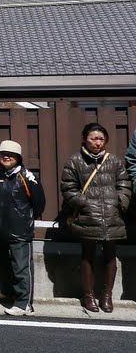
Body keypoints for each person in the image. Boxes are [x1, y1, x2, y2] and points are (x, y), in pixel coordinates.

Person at [61, 123, 130, 313]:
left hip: (111, 215)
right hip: (87, 216)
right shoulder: (74, 161)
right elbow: (68, 188)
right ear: (84, 139)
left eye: (101, 139)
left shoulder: (114, 161)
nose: (97, 143)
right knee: (87, 256)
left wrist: (119, 201)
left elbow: (124, 184)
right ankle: (88, 296)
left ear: (105, 140)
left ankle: (106, 297)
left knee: (110, 256)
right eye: (93, 138)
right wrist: (84, 204)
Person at [0, 139, 45, 316]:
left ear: (18, 158)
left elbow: (39, 203)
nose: (6, 157)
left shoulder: (27, 177)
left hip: (20, 231)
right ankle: (7, 292)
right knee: (1, 264)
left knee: (21, 268)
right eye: (3, 154)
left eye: (11, 155)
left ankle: (24, 304)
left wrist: (25, 220)